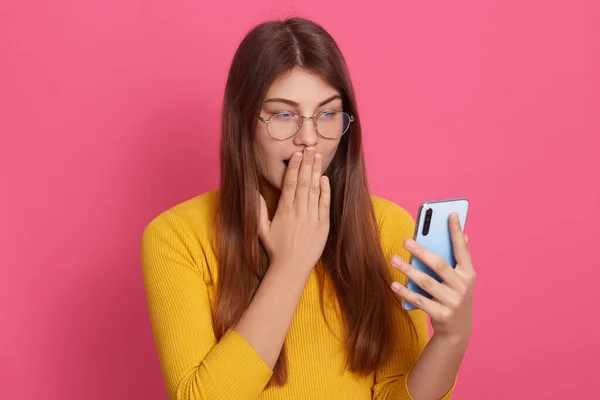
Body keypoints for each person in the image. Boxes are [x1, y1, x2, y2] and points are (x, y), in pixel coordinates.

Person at [141, 17, 475, 400]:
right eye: (284, 114)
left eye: (327, 114)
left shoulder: (384, 226)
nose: (309, 138)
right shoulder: (177, 237)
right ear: (243, 123)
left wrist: (452, 338)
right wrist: (290, 266)